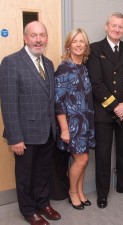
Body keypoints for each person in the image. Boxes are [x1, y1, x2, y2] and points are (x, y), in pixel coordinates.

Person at [0, 21, 61, 225]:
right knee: (25, 175)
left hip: (47, 131)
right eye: (33, 35)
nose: (38, 40)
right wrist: (15, 137)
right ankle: (28, 210)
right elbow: (8, 103)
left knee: (43, 172)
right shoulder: (11, 62)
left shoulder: (50, 63)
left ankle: (43, 203)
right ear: (25, 38)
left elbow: (50, 99)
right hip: (24, 135)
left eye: (42, 35)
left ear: (46, 38)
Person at [87, 12, 123, 209]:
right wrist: (115, 106)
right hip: (104, 111)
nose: (117, 29)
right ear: (106, 26)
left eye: (121, 26)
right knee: (103, 155)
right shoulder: (95, 49)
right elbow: (96, 82)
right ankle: (102, 193)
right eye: (114, 26)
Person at [55, 28, 95, 210]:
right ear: (69, 45)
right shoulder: (64, 67)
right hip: (72, 124)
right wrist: (64, 129)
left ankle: (79, 191)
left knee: (82, 160)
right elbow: (58, 101)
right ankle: (72, 193)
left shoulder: (84, 67)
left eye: (82, 41)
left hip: (85, 122)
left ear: (85, 45)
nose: (78, 44)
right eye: (75, 41)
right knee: (82, 160)